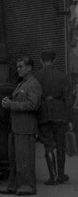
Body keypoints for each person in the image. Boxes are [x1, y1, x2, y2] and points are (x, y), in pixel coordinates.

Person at [0, 56, 43, 196]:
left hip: (25, 127)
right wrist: (10, 101)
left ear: (29, 67)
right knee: (15, 159)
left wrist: (11, 104)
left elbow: (33, 105)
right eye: (17, 66)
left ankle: (27, 186)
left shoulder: (33, 84)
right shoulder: (22, 83)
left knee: (25, 158)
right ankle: (14, 185)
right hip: (17, 126)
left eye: (21, 66)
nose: (18, 69)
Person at [34, 50, 70, 185]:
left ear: (41, 60)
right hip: (59, 113)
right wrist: (69, 118)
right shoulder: (62, 76)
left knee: (48, 145)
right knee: (61, 145)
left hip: (44, 113)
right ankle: (61, 175)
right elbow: (68, 99)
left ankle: (53, 177)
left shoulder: (37, 76)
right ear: (54, 60)